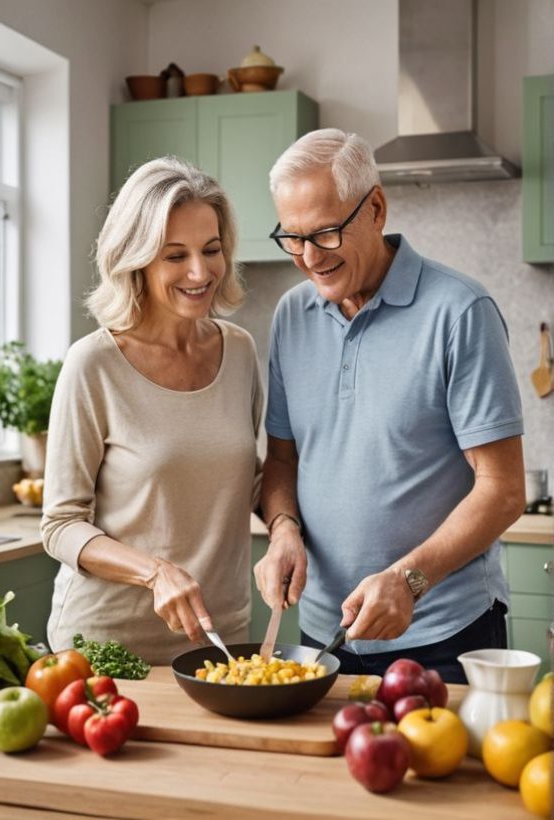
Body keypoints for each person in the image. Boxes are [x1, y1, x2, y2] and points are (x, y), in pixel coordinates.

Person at [254, 128, 526, 683]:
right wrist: (283, 529)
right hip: (323, 634)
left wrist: (409, 581)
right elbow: (282, 459)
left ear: (375, 208)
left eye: (325, 233)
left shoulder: (460, 312)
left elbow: (503, 490)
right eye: (293, 237)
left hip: (445, 636)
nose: (308, 258)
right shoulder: (290, 317)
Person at [41, 156, 263, 665]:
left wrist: (289, 525)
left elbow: (244, 480)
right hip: (109, 645)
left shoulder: (241, 351)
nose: (199, 272)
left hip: (221, 637)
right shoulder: (93, 364)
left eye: (211, 250)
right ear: (136, 258)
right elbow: (60, 524)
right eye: (174, 255)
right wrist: (155, 571)